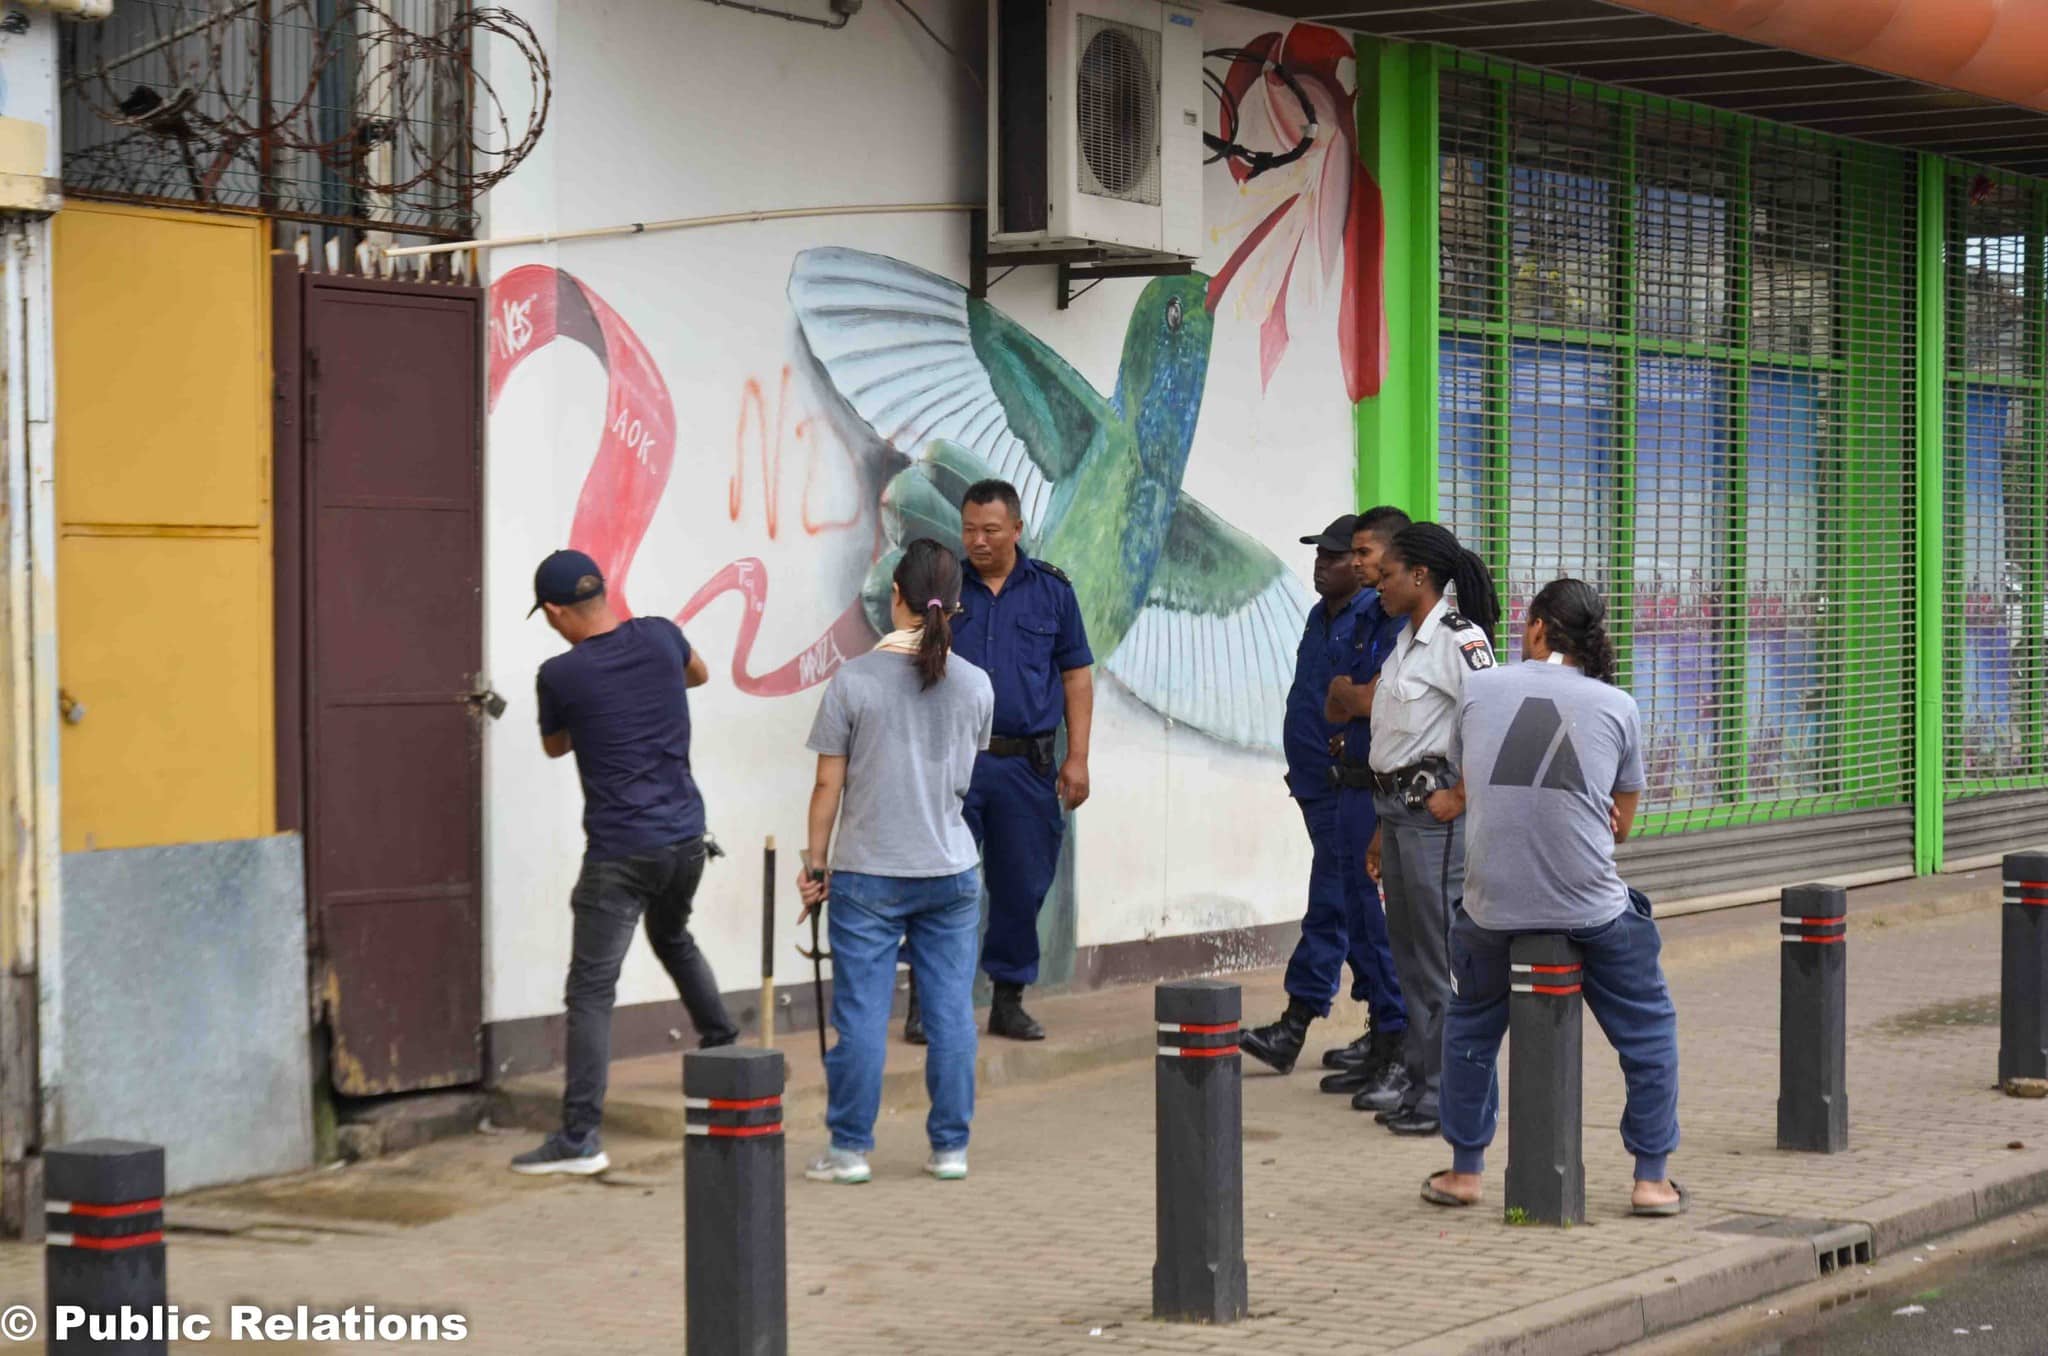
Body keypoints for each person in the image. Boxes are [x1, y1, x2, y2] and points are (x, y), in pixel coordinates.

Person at [1421, 579, 1683, 1216]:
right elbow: (1622, 824)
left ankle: (1465, 1172)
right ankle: (1650, 1180)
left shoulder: (1480, 690)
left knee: (1471, 1028)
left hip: (1491, 911)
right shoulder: (1619, 705)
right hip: (1590, 909)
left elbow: (1459, 793)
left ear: (1537, 628)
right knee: (1649, 1030)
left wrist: (1444, 802)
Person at [512, 549, 738, 1177]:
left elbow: (556, 747)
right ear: (603, 592)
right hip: (686, 839)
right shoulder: (663, 636)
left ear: (556, 611)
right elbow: (700, 674)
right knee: (672, 935)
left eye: (548, 616)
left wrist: (599, 717)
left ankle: (580, 1137)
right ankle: (724, 1047)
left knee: (590, 989)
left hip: (621, 852)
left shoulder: (561, 674)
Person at [798, 539, 995, 1185]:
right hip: (951, 870)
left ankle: (850, 1151)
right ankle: (950, 1149)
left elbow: (830, 786)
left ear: (896, 599)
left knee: (860, 1018)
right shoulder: (976, 684)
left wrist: (815, 863)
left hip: (866, 875)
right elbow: (963, 770)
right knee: (949, 1015)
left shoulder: (853, 681)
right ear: (958, 606)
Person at [910, 479, 1091, 1044]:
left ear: (1016, 529)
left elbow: (1076, 676)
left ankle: (1008, 1000)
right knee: (939, 881)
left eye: (990, 530)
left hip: (1025, 765)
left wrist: (1078, 756)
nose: (978, 540)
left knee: (1021, 884)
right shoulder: (944, 587)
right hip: (952, 763)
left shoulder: (1052, 593)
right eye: (968, 529)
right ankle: (928, 1003)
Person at [1241, 515, 1404, 1076]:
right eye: (1323, 555)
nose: (1325, 564)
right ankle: (1379, 1027)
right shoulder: (1320, 616)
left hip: (1349, 787)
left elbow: (1365, 702)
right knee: (1347, 908)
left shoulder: (1374, 616)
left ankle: (1303, 1021)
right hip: (1315, 786)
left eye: (1338, 556)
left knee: (1337, 904)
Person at [1362, 523, 1500, 1137]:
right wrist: (1376, 827)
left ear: (1420, 576)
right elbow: (1393, 741)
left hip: (1432, 816)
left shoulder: (1458, 639)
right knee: (1410, 958)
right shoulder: (1405, 643)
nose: (1379, 585)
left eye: (1387, 575)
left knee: (1439, 957)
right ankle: (1421, 1082)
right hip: (1396, 813)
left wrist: (1464, 795)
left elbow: (1493, 721)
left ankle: (1448, 1094)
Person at [1315, 507, 1414, 1109]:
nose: (1355, 562)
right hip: (1350, 783)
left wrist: (1356, 700)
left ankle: (1405, 1050)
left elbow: (1382, 701)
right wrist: (1353, 701)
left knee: (1386, 931)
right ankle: (1382, 1035)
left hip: (1388, 791)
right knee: (1359, 923)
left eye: (1365, 553)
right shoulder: (1366, 616)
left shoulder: (1410, 623)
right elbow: (1336, 700)